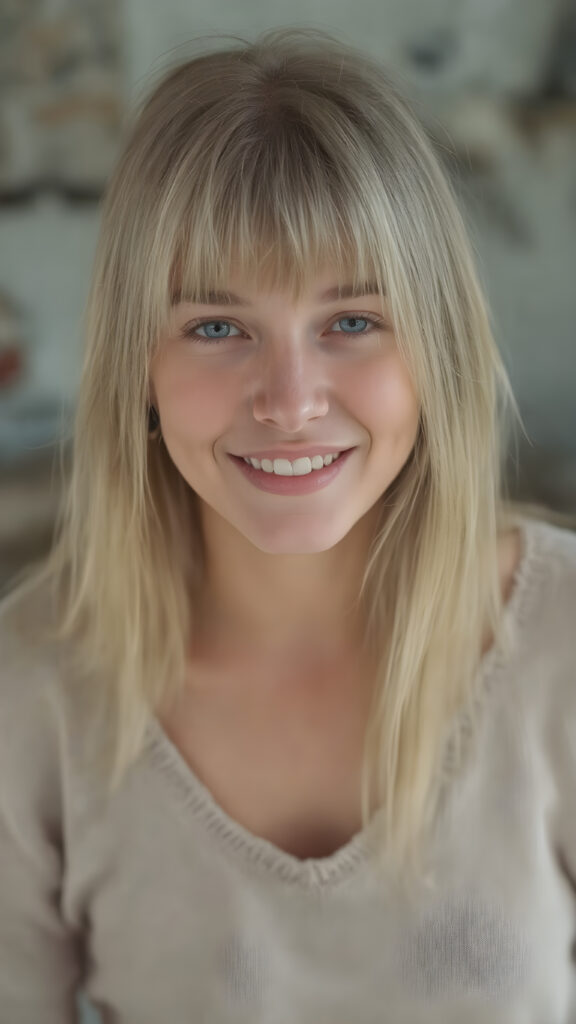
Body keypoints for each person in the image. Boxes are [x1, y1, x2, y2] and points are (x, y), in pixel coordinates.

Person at [1, 26, 575, 1024]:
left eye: (352, 321)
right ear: (139, 362)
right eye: (216, 327)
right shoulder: (31, 691)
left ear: (436, 347)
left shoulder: (562, 644)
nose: (291, 398)